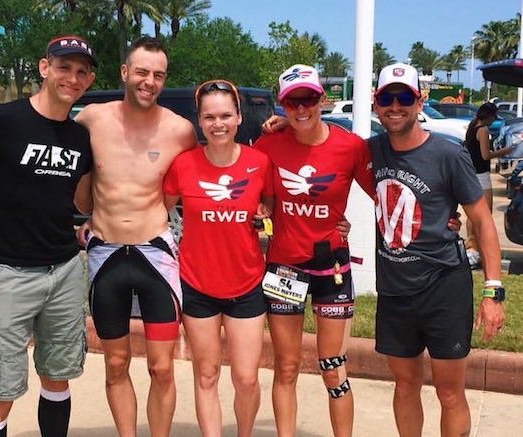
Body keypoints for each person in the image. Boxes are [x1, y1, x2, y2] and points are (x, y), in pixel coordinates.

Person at [0, 36, 97, 437]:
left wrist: (99, 218)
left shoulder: (79, 138)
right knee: (0, 392)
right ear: (45, 68)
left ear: (89, 79)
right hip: (9, 273)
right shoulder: (2, 119)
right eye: (64, 67)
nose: (71, 78)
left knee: (58, 378)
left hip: (63, 270)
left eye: (81, 72)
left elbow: (85, 199)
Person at [369, 63, 506, 437]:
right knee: (405, 385)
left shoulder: (448, 155)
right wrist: (283, 124)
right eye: (386, 98)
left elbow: (482, 221)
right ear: (375, 103)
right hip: (395, 289)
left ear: (420, 100)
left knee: (449, 391)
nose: (394, 106)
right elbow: (322, 143)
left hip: (444, 286)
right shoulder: (372, 151)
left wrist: (493, 291)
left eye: (404, 97)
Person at [73, 36, 197, 437]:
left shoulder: (180, 131)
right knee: (114, 364)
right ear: (125, 72)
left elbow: (216, 161)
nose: (149, 81)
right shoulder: (92, 118)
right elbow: (50, 150)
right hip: (105, 253)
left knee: (162, 366)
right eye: (142, 72)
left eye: (158, 75)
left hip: (155, 254)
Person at [255, 64, 376, 437]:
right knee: (286, 367)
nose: (302, 108)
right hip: (284, 269)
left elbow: (386, 193)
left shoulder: (351, 147)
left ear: (323, 99)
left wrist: (442, 218)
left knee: (334, 367)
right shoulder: (268, 145)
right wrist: (261, 215)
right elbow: (263, 202)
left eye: (308, 98)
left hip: (332, 267)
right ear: (282, 105)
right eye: (293, 101)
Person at [162, 79, 271, 436]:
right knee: (206, 374)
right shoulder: (184, 165)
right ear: (200, 121)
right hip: (197, 284)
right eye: (209, 117)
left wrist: (263, 214)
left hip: (246, 284)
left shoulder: (259, 162)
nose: (218, 123)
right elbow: (157, 211)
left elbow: (267, 204)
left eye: (226, 115)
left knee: (246, 378)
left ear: (239, 117)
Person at [464, 102, 511, 269]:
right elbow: (485, 155)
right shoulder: (483, 130)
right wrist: (504, 152)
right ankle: (477, 249)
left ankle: (471, 249)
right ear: (489, 116)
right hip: (481, 176)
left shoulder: (472, 127)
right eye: (494, 117)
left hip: (471, 174)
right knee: (484, 213)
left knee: (472, 214)